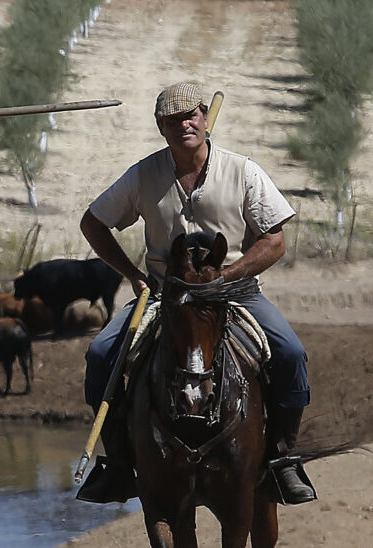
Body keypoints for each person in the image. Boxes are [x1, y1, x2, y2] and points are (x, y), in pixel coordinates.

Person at [76, 81, 314, 505]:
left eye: (191, 116)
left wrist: (230, 275)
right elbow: (93, 223)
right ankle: (117, 464)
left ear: (204, 118)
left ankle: (282, 458)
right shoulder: (143, 175)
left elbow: (274, 240)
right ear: (160, 127)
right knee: (99, 355)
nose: (184, 124)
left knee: (292, 354)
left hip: (235, 292)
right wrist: (132, 273)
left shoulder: (243, 171)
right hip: (165, 295)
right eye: (173, 120)